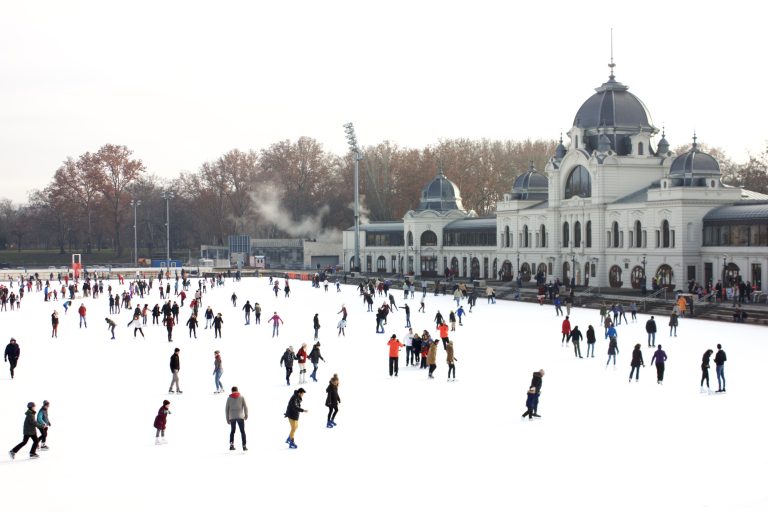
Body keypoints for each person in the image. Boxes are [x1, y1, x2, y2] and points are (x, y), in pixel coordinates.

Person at [226, 386, 248, 451]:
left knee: (232, 431)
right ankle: (244, 446)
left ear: (232, 391)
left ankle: (231, 445)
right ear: (237, 390)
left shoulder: (229, 398)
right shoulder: (241, 397)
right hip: (240, 416)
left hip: (232, 417)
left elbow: (226, 409)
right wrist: (246, 415)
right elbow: (245, 407)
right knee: (242, 431)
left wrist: (227, 419)